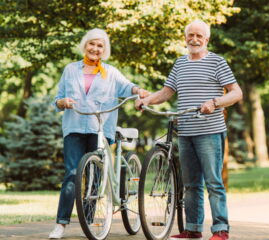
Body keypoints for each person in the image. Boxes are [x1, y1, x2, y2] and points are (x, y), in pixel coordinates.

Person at [135, 19, 243, 240]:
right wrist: (146, 101)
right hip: (185, 132)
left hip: (210, 131)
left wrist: (214, 102)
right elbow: (166, 92)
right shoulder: (180, 64)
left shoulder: (217, 62)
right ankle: (193, 228)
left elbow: (236, 93)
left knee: (213, 183)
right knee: (191, 184)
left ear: (207, 39)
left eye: (199, 36)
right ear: (185, 38)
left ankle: (221, 230)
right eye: (190, 35)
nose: (194, 39)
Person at [49, 28, 149, 239]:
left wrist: (139, 91)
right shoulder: (70, 70)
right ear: (85, 45)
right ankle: (61, 224)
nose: (95, 48)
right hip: (74, 127)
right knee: (72, 174)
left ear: (105, 50)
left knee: (94, 175)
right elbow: (56, 100)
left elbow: (128, 86)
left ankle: (89, 221)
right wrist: (62, 102)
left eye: (100, 45)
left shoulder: (110, 72)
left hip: (100, 129)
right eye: (92, 44)